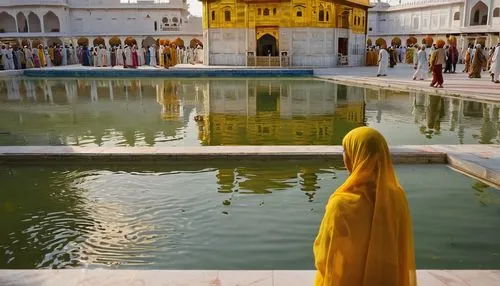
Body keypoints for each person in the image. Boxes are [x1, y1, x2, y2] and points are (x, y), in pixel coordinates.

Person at [313, 127, 416, 286]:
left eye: (345, 150)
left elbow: (325, 257)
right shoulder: (397, 197)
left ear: (356, 156)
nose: (344, 155)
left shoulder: (342, 205)